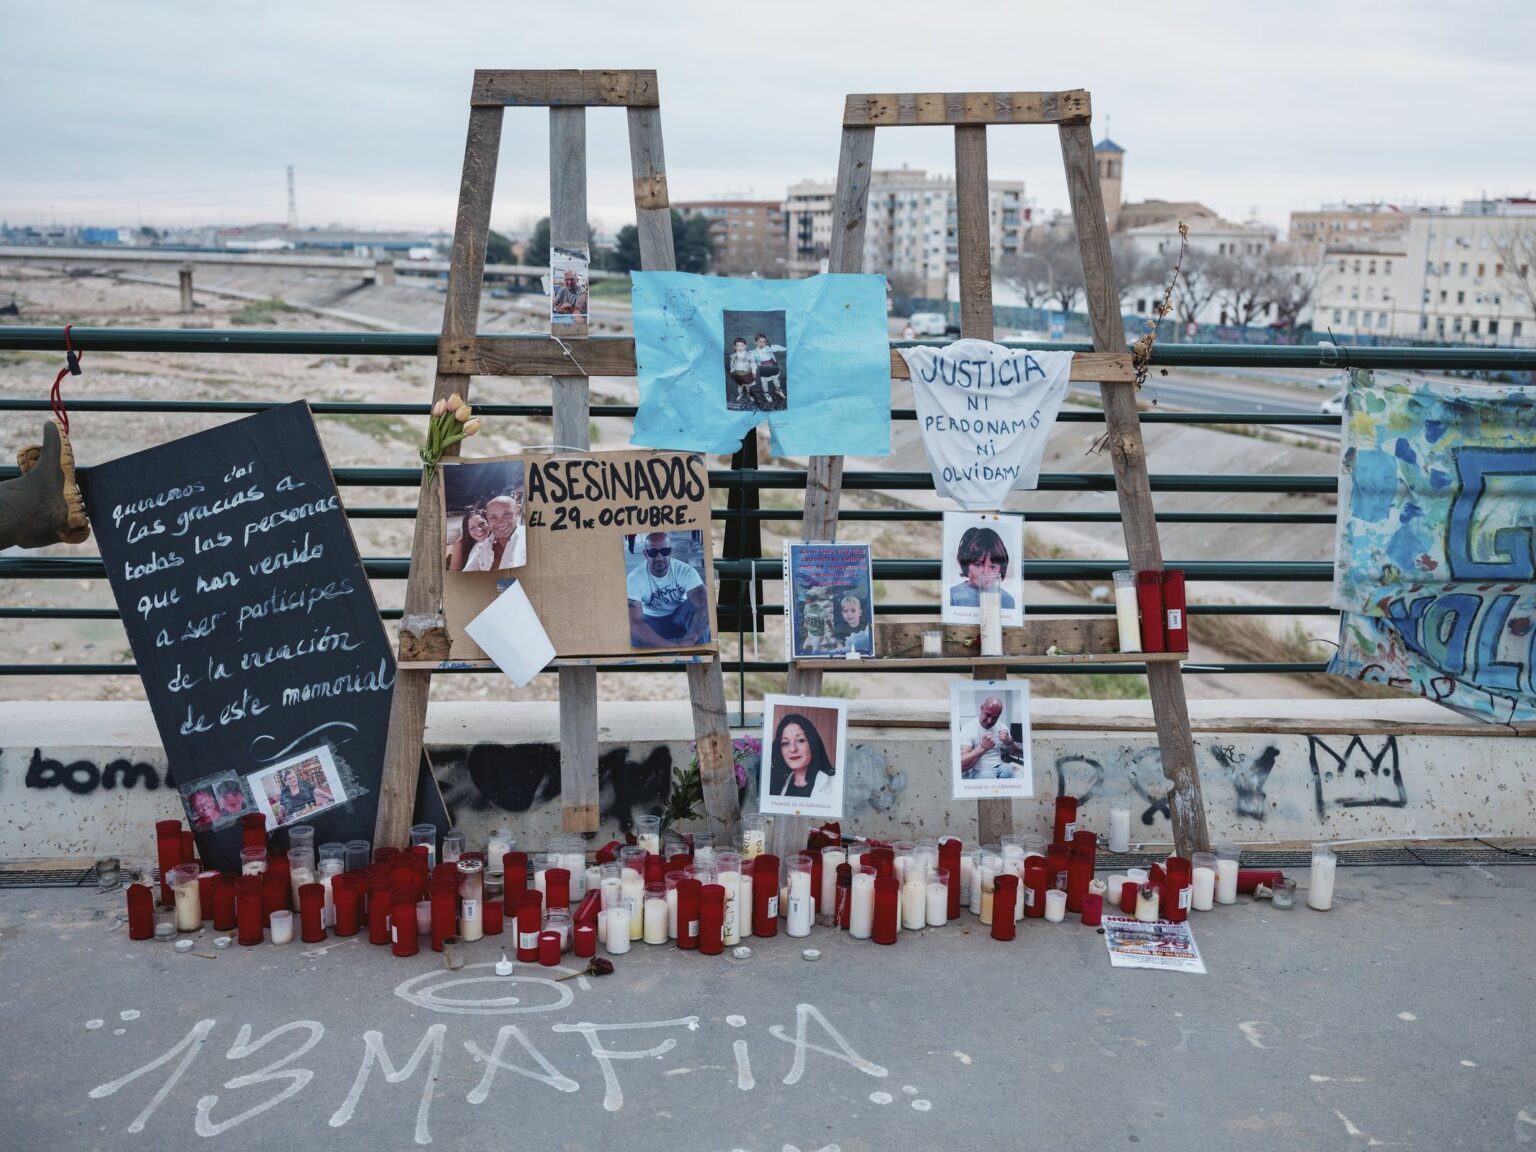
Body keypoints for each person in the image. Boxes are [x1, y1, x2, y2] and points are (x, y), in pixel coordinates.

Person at [627, 531, 710, 647]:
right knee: (631, 632)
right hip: (652, 619)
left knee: (702, 608)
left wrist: (691, 639)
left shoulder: (685, 571)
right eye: (653, 552)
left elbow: (704, 605)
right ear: (645, 554)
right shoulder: (635, 578)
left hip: (679, 615)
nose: (659, 557)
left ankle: (701, 654)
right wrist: (671, 647)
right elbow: (634, 623)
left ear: (670, 552)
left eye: (664, 551)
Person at [768, 712, 837, 803]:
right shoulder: (776, 786)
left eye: (800, 740)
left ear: (812, 743)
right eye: (785, 743)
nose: (793, 749)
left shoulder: (835, 784)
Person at [948, 525, 1017, 609]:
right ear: (966, 564)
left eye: (993, 567)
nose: (986, 572)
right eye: (978, 565)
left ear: (1000, 569)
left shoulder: (1007, 600)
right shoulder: (953, 596)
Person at [958, 695, 1019, 780]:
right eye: (987, 715)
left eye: (994, 718)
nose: (989, 721)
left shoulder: (1002, 727)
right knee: (992, 786)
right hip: (980, 770)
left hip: (1001, 766)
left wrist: (1009, 742)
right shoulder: (968, 728)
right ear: (981, 708)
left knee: (1021, 775)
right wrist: (983, 747)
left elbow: (1015, 752)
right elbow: (961, 765)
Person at [464, 493, 526, 571]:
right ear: (488, 519)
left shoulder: (528, 539)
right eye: (493, 517)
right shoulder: (482, 547)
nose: (500, 522)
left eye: (507, 514)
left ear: (517, 513)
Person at [446, 507, 489, 571]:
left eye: (482, 523)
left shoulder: (498, 538)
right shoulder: (461, 543)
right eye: (472, 528)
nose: (479, 529)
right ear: (468, 531)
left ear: (488, 522)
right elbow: (454, 572)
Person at [751, 333, 787, 406]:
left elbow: (776, 347)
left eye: (764, 342)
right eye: (760, 341)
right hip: (764, 369)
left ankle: (778, 390)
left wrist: (785, 348)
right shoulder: (753, 353)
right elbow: (753, 363)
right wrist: (754, 372)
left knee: (775, 378)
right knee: (764, 382)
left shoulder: (768, 347)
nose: (762, 344)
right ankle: (766, 394)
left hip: (773, 366)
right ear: (755, 342)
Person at [727, 337, 756, 407]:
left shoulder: (749, 355)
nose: (740, 347)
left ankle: (749, 394)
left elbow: (753, 363)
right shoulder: (734, 355)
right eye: (738, 346)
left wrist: (754, 372)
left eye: (742, 345)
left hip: (747, 373)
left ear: (745, 346)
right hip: (739, 374)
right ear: (734, 347)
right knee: (740, 386)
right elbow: (732, 364)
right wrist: (732, 369)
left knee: (748, 386)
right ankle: (740, 394)